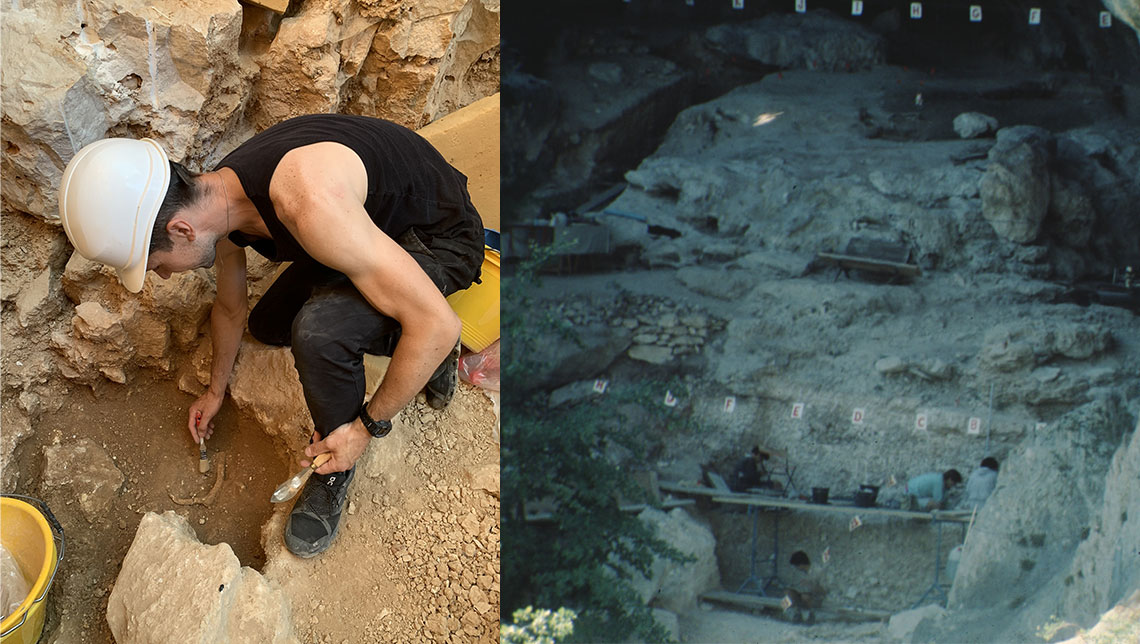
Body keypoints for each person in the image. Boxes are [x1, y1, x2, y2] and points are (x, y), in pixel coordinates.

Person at [57, 115, 485, 557]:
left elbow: (439, 325)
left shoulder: (308, 203)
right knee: (269, 325)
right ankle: (400, 329)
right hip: (365, 234)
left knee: (319, 331)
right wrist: (215, 392)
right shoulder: (218, 199)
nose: (165, 275)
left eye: (158, 264)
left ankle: (334, 465)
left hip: (433, 237)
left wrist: (364, 429)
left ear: (181, 230)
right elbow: (229, 307)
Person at [784, 550, 826, 624]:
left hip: (816, 598)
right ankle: (798, 613)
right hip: (804, 595)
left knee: (805, 596)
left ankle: (812, 615)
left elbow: (824, 590)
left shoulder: (818, 571)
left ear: (801, 565)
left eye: (797, 566)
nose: (796, 568)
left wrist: (811, 585)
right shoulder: (801, 573)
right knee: (789, 592)